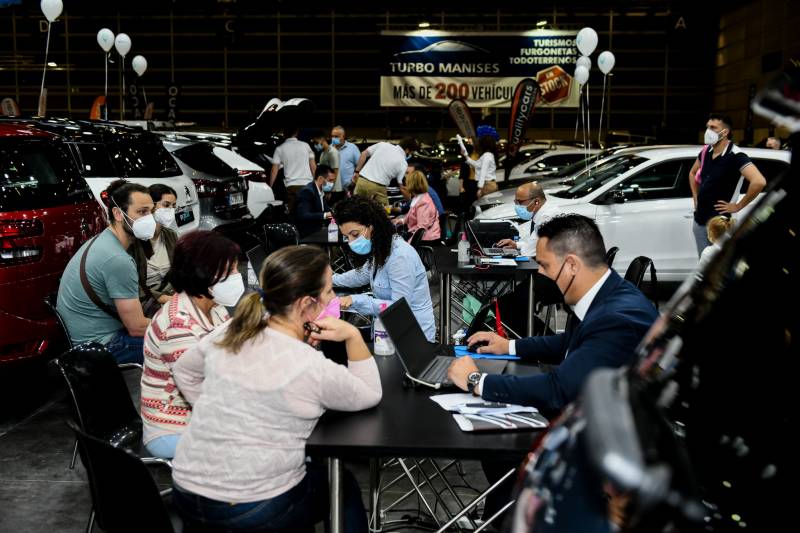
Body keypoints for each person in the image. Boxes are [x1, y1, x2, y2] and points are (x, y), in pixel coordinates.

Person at [448, 214, 658, 518]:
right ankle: (504, 510)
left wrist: (476, 381)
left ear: (571, 264)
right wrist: (508, 345)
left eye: (545, 266)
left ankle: (512, 513)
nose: (541, 275)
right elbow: (568, 344)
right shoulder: (605, 295)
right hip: (591, 417)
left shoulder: (617, 318)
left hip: (600, 445)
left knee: (495, 439)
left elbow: (560, 389)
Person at [170, 246, 380, 533]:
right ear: (308, 303)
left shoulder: (233, 329)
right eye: (329, 291)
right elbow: (369, 393)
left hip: (186, 491)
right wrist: (353, 336)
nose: (333, 298)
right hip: (250, 505)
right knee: (340, 486)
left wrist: (227, 416)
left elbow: (184, 370)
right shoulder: (308, 364)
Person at [140, 230, 241, 459]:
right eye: (230, 269)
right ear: (203, 271)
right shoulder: (178, 325)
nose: (237, 275)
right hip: (173, 427)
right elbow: (208, 394)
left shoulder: (213, 307)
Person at [56, 180, 154, 364]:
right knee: (179, 342)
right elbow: (137, 328)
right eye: (141, 212)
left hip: (85, 338)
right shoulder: (117, 259)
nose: (150, 219)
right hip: (102, 347)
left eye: (151, 211)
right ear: (118, 213)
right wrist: (177, 326)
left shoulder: (102, 240)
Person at [332, 196, 436, 341]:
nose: (350, 241)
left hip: (413, 337)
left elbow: (398, 308)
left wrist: (354, 300)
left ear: (372, 226)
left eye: (354, 234)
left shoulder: (399, 256)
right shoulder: (381, 249)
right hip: (388, 331)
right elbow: (361, 274)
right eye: (346, 237)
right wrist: (331, 280)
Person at [688, 113, 766, 255]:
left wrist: (738, 206)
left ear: (725, 132)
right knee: (704, 264)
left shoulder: (736, 156)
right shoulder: (706, 151)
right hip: (700, 220)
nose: (708, 131)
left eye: (713, 127)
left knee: (719, 268)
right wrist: (695, 197)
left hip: (720, 223)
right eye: (707, 127)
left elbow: (759, 181)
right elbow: (692, 173)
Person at [128, 184, 179, 315]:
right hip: (145, 301)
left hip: (171, 294)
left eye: (174, 206)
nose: (171, 210)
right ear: (151, 206)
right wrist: (167, 299)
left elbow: (181, 270)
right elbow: (132, 285)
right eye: (166, 205)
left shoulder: (171, 235)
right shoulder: (135, 239)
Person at [495, 182, 561, 256]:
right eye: (515, 202)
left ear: (537, 202)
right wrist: (516, 245)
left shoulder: (547, 217)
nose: (517, 206)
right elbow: (534, 243)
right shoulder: (540, 213)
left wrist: (514, 253)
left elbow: (530, 252)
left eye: (520, 202)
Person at [352, 137, 418, 206]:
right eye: (411, 152)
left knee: (356, 209)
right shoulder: (403, 163)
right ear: (407, 150)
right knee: (383, 213)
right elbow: (402, 188)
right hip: (378, 188)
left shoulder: (383, 144)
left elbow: (363, 154)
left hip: (361, 181)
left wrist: (356, 172)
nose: (411, 155)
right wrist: (411, 203)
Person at [270, 127, 317, 213]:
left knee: (293, 214)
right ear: (296, 133)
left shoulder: (279, 149)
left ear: (284, 135)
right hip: (308, 185)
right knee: (309, 212)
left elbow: (274, 170)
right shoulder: (306, 146)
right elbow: (313, 167)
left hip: (292, 187)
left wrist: (270, 187)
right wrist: (316, 183)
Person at [392, 170, 441, 242]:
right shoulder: (418, 198)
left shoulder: (424, 203)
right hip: (417, 233)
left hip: (426, 237)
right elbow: (411, 217)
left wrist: (407, 244)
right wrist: (401, 221)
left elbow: (421, 228)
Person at [294, 164, 335, 238]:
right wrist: (325, 215)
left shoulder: (321, 192)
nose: (332, 184)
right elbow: (303, 215)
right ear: (320, 179)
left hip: (318, 229)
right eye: (330, 180)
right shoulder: (307, 191)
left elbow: (328, 211)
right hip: (307, 233)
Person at [457, 126, 498, 198]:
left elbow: (483, 172)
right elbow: (477, 165)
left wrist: (480, 188)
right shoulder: (487, 154)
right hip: (487, 184)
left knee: (484, 206)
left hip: (487, 185)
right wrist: (466, 155)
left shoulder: (487, 155)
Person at [331, 125, 361, 193]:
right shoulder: (328, 150)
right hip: (332, 189)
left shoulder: (353, 148)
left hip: (348, 189)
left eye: (336, 136)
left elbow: (360, 167)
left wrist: (353, 182)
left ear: (343, 136)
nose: (333, 138)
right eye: (332, 136)